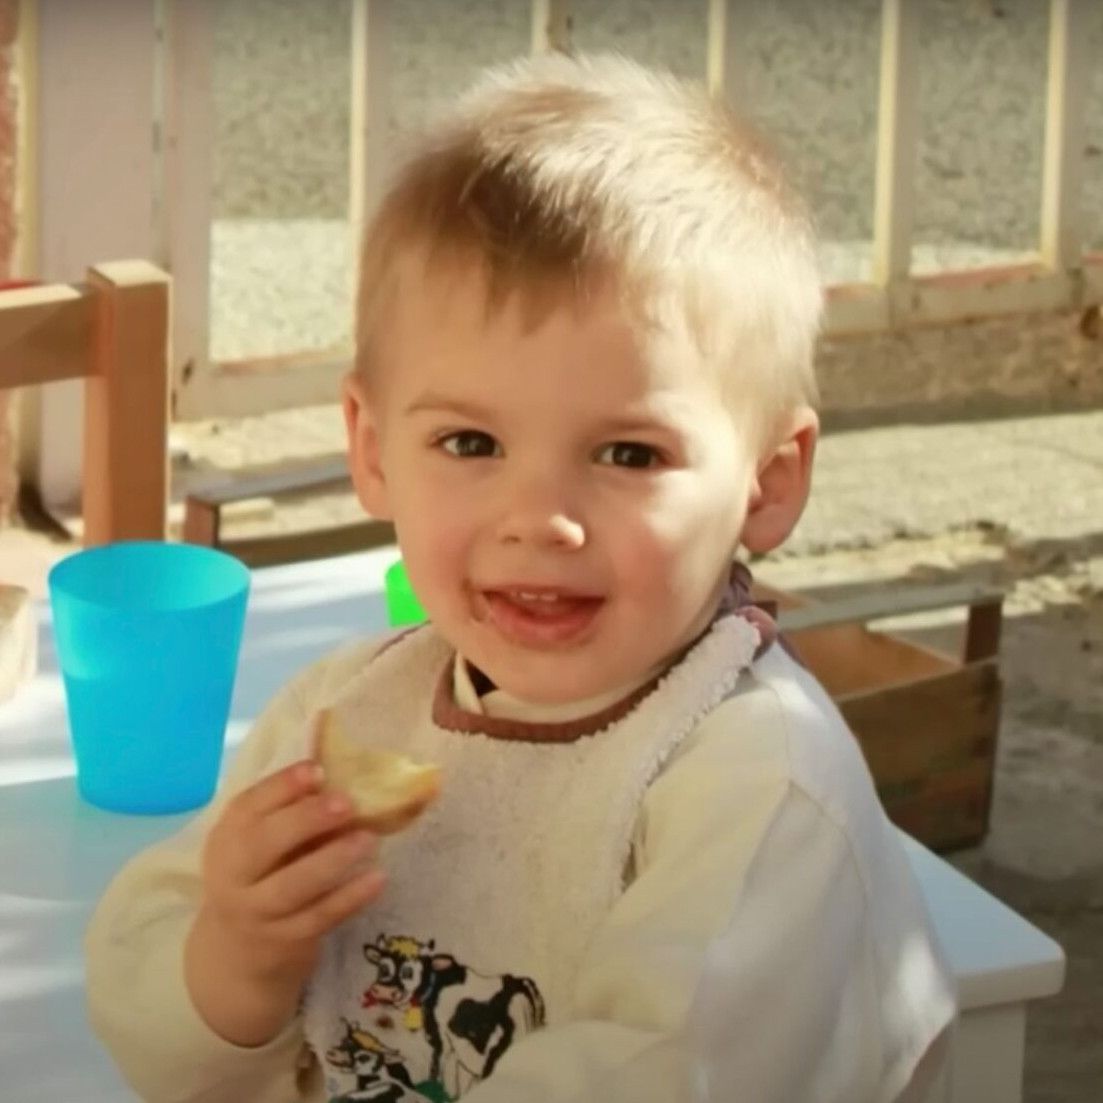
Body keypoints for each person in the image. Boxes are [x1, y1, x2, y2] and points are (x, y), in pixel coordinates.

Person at [85, 52, 955, 1103]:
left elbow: (662, 1070)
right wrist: (237, 956)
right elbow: (144, 990)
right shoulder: (347, 711)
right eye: (468, 441)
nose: (537, 520)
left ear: (765, 483)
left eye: (628, 454)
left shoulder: (755, 783)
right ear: (370, 448)